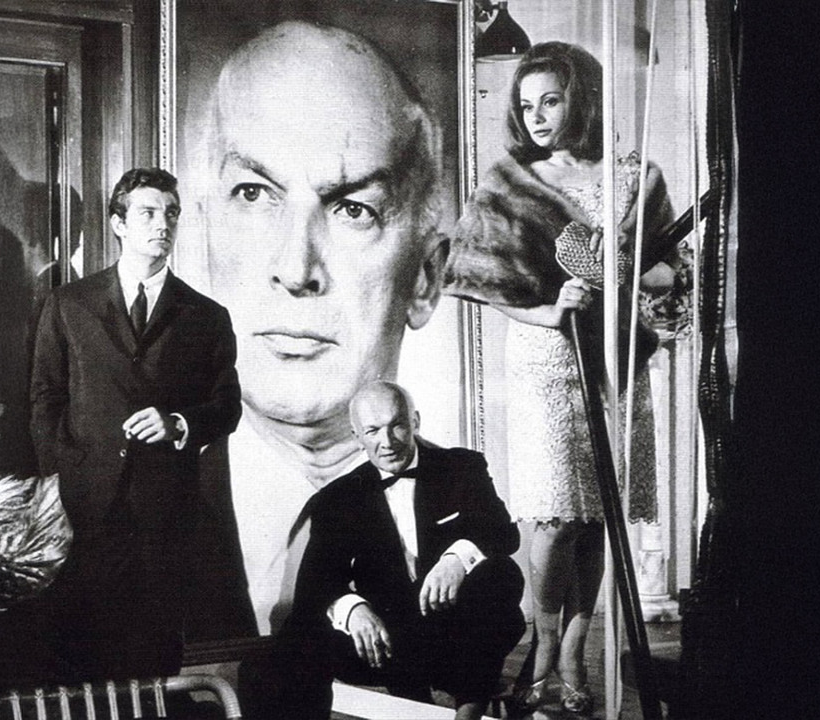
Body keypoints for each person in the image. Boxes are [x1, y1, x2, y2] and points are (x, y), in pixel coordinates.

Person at [444, 42, 681, 715]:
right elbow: (476, 277)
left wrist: (630, 276)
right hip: (544, 360)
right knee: (552, 519)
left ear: (584, 99)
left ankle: (576, 652)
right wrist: (548, 310)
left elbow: (671, 272)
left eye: (551, 100)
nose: (538, 116)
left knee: (596, 517)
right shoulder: (509, 183)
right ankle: (545, 642)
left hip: (615, 361)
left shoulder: (636, 178)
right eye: (527, 106)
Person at [192, 20, 450, 634]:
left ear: (425, 278)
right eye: (253, 194)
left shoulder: (458, 498)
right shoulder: (149, 511)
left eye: (353, 209)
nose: (295, 269)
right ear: (203, 239)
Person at [29, 167, 252, 678]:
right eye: (148, 213)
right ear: (118, 224)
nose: (162, 225)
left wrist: (177, 424)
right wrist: (59, 484)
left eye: (171, 214)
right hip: (83, 514)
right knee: (79, 663)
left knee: (152, 662)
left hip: (165, 519)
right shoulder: (69, 305)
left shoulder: (206, 316)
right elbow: (45, 400)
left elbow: (227, 407)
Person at [241, 381, 525, 720]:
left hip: (457, 629)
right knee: (281, 652)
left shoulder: (461, 467)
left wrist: (456, 559)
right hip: (387, 639)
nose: (387, 442)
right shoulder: (337, 498)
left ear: (415, 421)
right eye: (373, 431)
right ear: (356, 435)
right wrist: (353, 610)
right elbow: (314, 585)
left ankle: (469, 712)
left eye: (397, 425)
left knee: (501, 572)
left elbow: (503, 533)